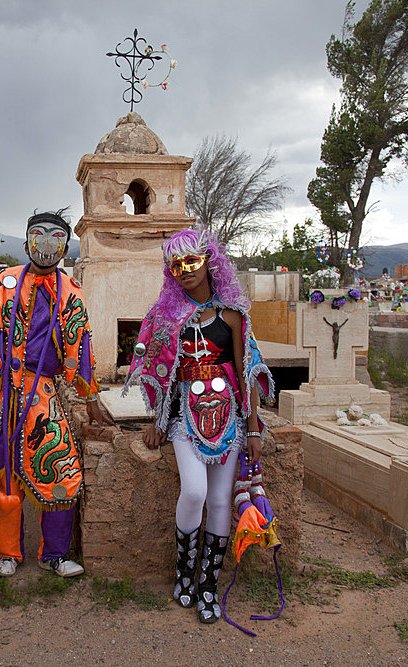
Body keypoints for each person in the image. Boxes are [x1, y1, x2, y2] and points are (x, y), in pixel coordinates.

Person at [0, 209, 111, 578]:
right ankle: (9, 553)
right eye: (40, 235)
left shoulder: (71, 293)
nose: (47, 243)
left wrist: (89, 397)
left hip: (42, 394)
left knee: (60, 465)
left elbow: (80, 346)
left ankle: (54, 554)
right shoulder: (4, 282)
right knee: (5, 476)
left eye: (56, 237)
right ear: (26, 243)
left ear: (65, 247)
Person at [124, 228, 273, 623]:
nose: (185, 270)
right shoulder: (164, 316)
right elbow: (157, 371)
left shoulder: (233, 316)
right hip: (182, 419)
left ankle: (208, 584)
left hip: (229, 420)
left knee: (221, 500)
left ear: (210, 261)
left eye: (192, 261)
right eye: (177, 265)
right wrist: (156, 420)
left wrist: (254, 428)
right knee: (194, 490)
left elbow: (247, 372)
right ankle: (183, 574)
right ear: (170, 271)